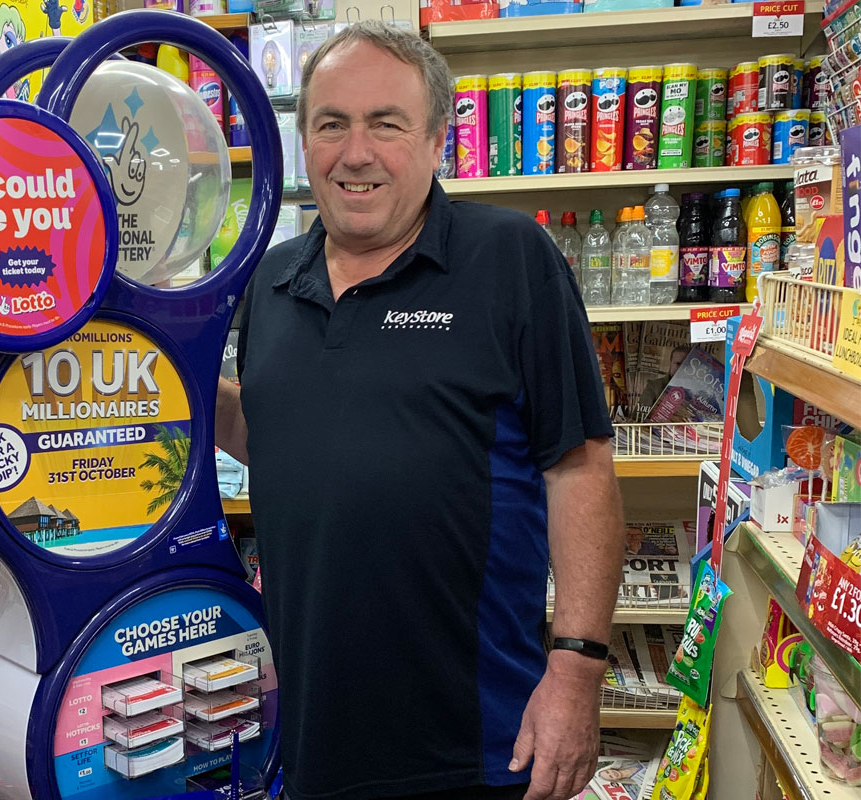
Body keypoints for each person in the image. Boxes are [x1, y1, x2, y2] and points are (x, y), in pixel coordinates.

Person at [215, 21, 625, 800]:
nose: (356, 151)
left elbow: (578, 465)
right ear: (305, 141)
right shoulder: (268, 282)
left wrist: (575, 674)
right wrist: (165, 382)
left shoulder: (510, 259)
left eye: (386, 124)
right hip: (310, 738)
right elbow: (272, 431)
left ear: (437, 139)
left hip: (472, 741)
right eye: (331, 124)